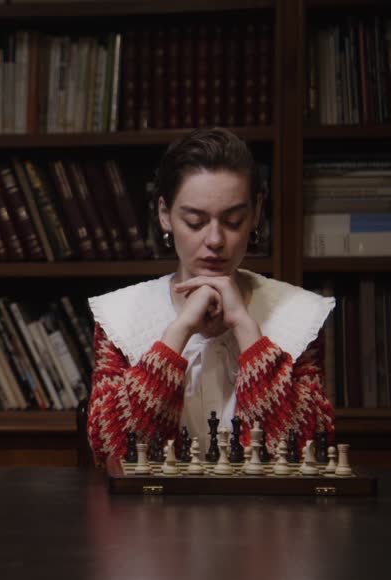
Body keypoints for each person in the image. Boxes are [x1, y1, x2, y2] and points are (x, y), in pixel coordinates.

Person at [86, 127, 335, 462]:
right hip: (152, 513)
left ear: (256, 212)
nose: (215, 240)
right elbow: (111, 451)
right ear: (165, 215)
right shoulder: (120, 315)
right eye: (194, 222)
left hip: (266, 512)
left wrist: (247, 330)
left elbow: (306, 448)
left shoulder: (300, 314)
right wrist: (179, 331)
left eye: (233, 221)